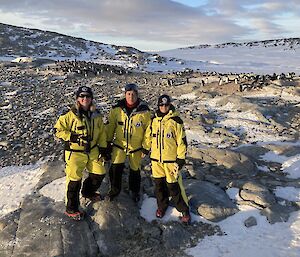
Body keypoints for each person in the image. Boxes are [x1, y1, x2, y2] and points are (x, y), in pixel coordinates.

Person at [54, 86, 107, 220]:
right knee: (74, 179)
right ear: (77, 98)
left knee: (99, 173)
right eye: (82, 96)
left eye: (87, 97)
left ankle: (87, 192)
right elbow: (57, 131)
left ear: (91, 99)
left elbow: (101, 133)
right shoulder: (70, 115)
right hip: (75, 152)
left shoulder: (96, 115)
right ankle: (71, 208)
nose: (85, 99)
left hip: (93, 150)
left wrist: (104, 148)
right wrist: (73, 137)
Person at [145, 94, 191, 224]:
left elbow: (181, 141)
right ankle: (162, 206)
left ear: (169, 105)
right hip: (156, 160)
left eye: (166, 105)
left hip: (171, 161)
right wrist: (145, 148)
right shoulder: (154, 120)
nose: (163, 107)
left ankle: (184, 209)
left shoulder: (176, 121)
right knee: (159, 186)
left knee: (174, 186)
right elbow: (149, 137)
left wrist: (180, 159)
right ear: (158, 106)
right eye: (161, 105)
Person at [106, 83, 151, 202]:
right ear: (125, 94)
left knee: (135, 170)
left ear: (137, 95)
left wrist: (146, 147)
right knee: (115, 168)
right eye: (128, 94)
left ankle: (134, 191)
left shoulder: (144, 111)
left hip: (136, 147)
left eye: (133, 94)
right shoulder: (116, 109)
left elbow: (148, 131)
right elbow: (111, 126)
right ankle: (114, 190)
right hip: (119, 145)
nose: (131, 97)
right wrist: (107, 142)